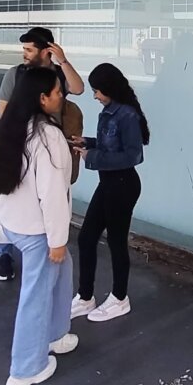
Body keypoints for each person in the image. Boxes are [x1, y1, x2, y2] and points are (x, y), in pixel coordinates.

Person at [0, 66, 78, 385]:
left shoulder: (14, 125)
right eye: (57, 92)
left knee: (63, 268)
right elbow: (52, 195)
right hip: (37, 229)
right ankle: (26, 369)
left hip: (15, 221)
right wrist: (57, 240)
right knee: (36, 295)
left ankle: (55, 334)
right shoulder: (47, 136)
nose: (62, 96)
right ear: (42, 98)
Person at [0, 27, 85, 283]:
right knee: (14, 196)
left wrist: (62, 60)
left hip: (49, 145)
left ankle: (45, 241)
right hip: (20, 145)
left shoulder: (55, 77)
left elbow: (77, 88)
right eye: (24, 49)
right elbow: (2, 112)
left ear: (46, 51)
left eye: (29, 49)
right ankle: (4, 254)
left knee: (46, 196)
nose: (24, 54)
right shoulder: (15, 74)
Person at [69, 64, 149, 323]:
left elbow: (133, 155)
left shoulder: (127, 115)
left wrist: (93, 156)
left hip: (123, 185)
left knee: (116, 242)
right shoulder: (110, 111)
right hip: (109, 184)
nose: (95, 96)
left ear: (109, 89)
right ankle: (85, 296)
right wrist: (88, 142)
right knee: (86, 238)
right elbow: (111, 145)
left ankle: (119, 298)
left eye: (97, 91)